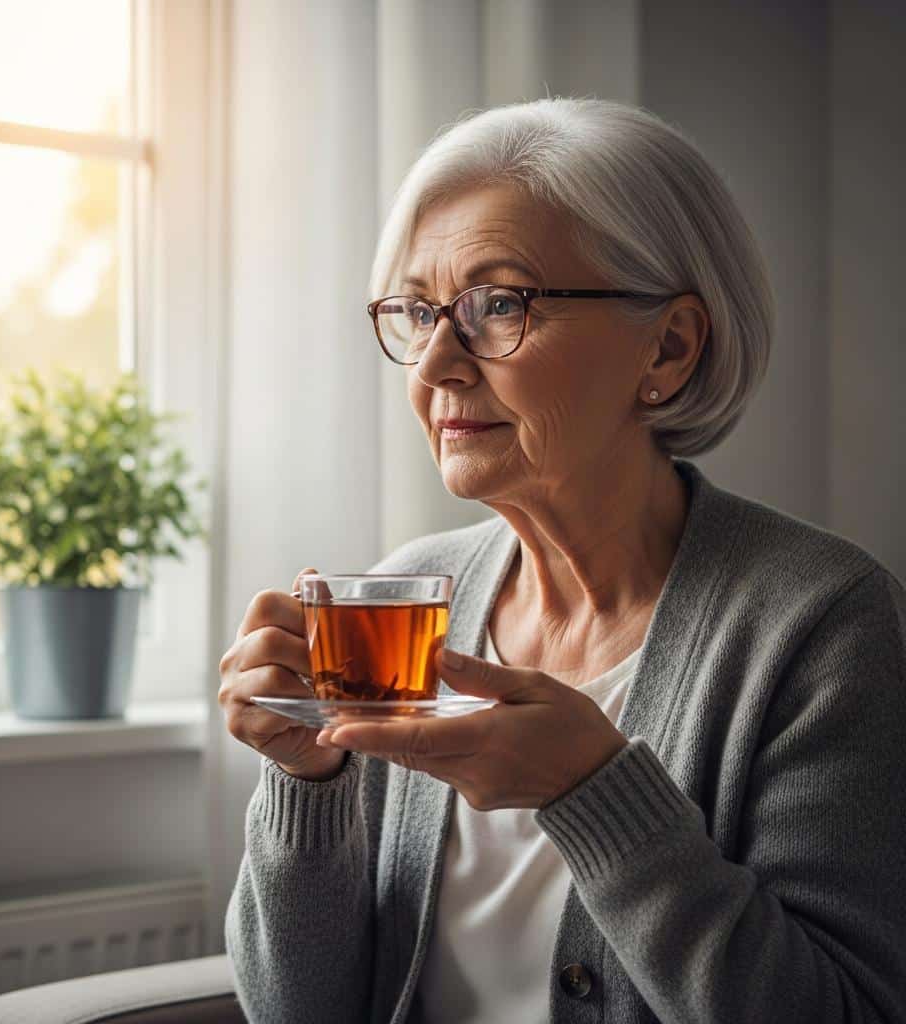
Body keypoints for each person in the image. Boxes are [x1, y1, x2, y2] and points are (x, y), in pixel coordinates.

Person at [217, 98, 906, 1023]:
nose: (434, 367)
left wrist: (595, 797)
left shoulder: (824, 623)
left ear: (668, 345)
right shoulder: (407, 593)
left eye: (499, 305)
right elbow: (295, 1011)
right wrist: (310, 784)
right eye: (420, 314)